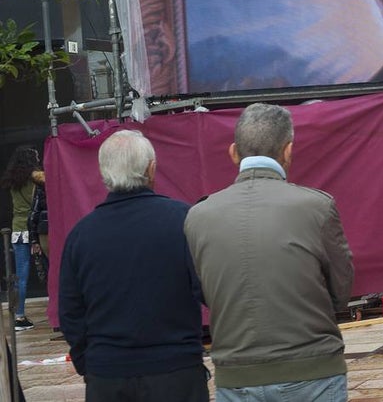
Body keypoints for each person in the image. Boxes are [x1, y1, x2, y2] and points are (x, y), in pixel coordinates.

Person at [184, 103, 354, 400]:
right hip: (311, 370)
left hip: (236, 374)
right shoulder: (316, 207)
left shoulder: (199, 216)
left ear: (234, 152)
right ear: (288, 151)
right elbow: (341, 289)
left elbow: (205, 291)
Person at [58, 131, 208, 402]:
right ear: (152, 168)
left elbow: (70, 312)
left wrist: (90, 364)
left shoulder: (81, 235)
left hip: (108, 375)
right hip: (176, 370)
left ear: (104, 174)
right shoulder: (184, 221)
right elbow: (210, 289)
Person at [0, 146, 44, 331]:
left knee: (20, 275)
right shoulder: (34, 178)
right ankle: (20, 316)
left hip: (17, 228)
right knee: (42, 269)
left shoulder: (13, 180)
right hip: (32, 227)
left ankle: (19, 314)